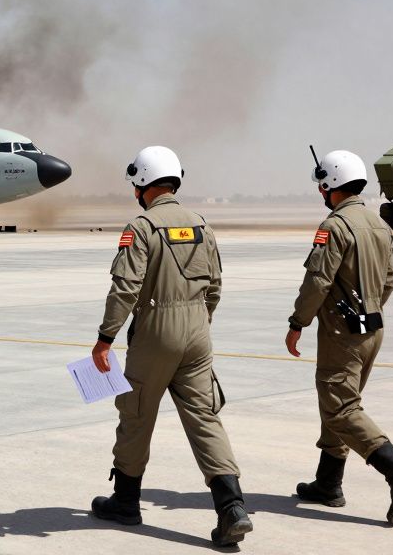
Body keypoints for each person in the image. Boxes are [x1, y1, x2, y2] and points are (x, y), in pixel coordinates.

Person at [90, 146, 252, 547]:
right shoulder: (201, 224)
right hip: (198, 331)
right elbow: (214, 285)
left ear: (143, 182)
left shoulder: (142, 227)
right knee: (204, 418)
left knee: (137, 413)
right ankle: (232, 507)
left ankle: (126, 502)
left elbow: (125, 287)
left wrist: (105, 337)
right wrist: (198, 321)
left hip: (156, 330)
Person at [285, 149, 393, 524]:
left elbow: (318, 281)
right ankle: (328, 482)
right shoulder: (379, 224)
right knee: (339, 401)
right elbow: (390, 279)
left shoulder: (334, 227)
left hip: (341, 331)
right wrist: (370, 309)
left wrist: (298, 322)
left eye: (322, 186)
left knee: (340, 407)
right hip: (372, 329)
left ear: (331, 185)